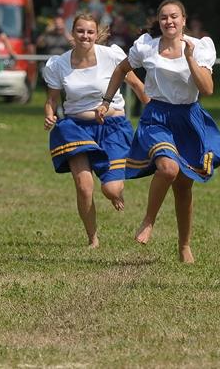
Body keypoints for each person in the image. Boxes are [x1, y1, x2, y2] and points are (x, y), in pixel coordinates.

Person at [97, 0, 220, 263]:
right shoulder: (146, 46)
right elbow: (122, 69)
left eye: (174, 17)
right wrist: (106, 100)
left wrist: (190, 58)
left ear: (183, 19)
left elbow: (207, 89)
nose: (169, 22)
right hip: (157, 116)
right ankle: (148, 220)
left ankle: (184, 245)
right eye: (163, 18)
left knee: (183, 187)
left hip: (189, 118)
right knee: (168, 168)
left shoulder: (200, 47)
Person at [43, 13, 147, 247]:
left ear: (97, 34)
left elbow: (137, 86)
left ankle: (114, 191)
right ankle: (92, 238)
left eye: (90, 32)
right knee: (84, 186)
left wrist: (153, 110)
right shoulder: (58, 64)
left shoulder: (111, 55)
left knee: (110, 189)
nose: (85, 36)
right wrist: (49, 115)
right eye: (80, 31)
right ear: (73, 33)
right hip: (75, 129)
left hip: (112, 127)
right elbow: (51, 100)